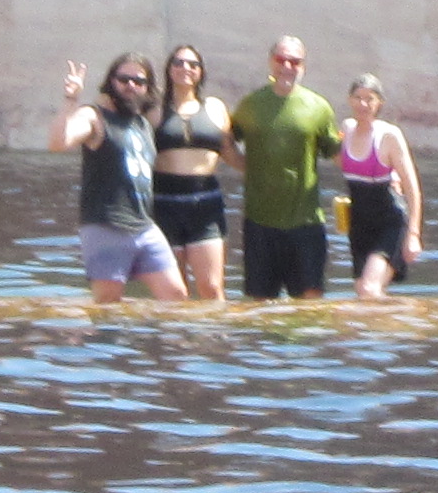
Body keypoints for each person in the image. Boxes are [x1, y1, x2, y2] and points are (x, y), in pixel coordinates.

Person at [52, 53, 187, 303]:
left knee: (176, 296)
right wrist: (70, 99)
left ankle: (163, 342)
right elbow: (60, 142)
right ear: (111, 82)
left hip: (144, 226)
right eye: (123, 79)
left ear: (147, 87)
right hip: (106, 226)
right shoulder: (95, 117)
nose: (131, 86)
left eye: (138, 81)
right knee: (107, 307)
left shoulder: (142, 124)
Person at [227, 34, 340, 300]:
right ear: (270, 62)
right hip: (259, 223)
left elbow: (339, 155)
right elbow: (226, 143)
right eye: (281, 59)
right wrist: (249, 168)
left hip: (306, 223)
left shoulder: (319, 107)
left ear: (303, 66)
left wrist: (384, 174)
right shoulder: (251, 104)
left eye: (295, 61)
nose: (287, 66)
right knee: (259, 306)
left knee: (309, 306)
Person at [148, 43, 230, 301]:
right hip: (164, 203)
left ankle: (216, 339)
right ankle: (175, 341)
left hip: (206, 204)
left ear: (201, 72)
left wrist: (262, 171)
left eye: (193, 64)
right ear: (169, 70)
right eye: (179, 63)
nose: (186, 68)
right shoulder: (153, 111)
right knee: (174, 291)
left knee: (212, 287)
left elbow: (230, 153)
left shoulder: (216, 108)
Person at [336, 75, 427, 298]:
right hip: (359, 224)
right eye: (358, 98)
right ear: (349, 100)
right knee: (363, 291)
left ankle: (394, 329)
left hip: (390, 222)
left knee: (369, 289)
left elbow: (412, 187)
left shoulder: (389, 135)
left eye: (370, 99)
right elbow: (342, 162)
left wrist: (413, 234)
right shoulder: (346, 130)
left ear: (380, 103)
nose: (363, 104)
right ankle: (391, 327)